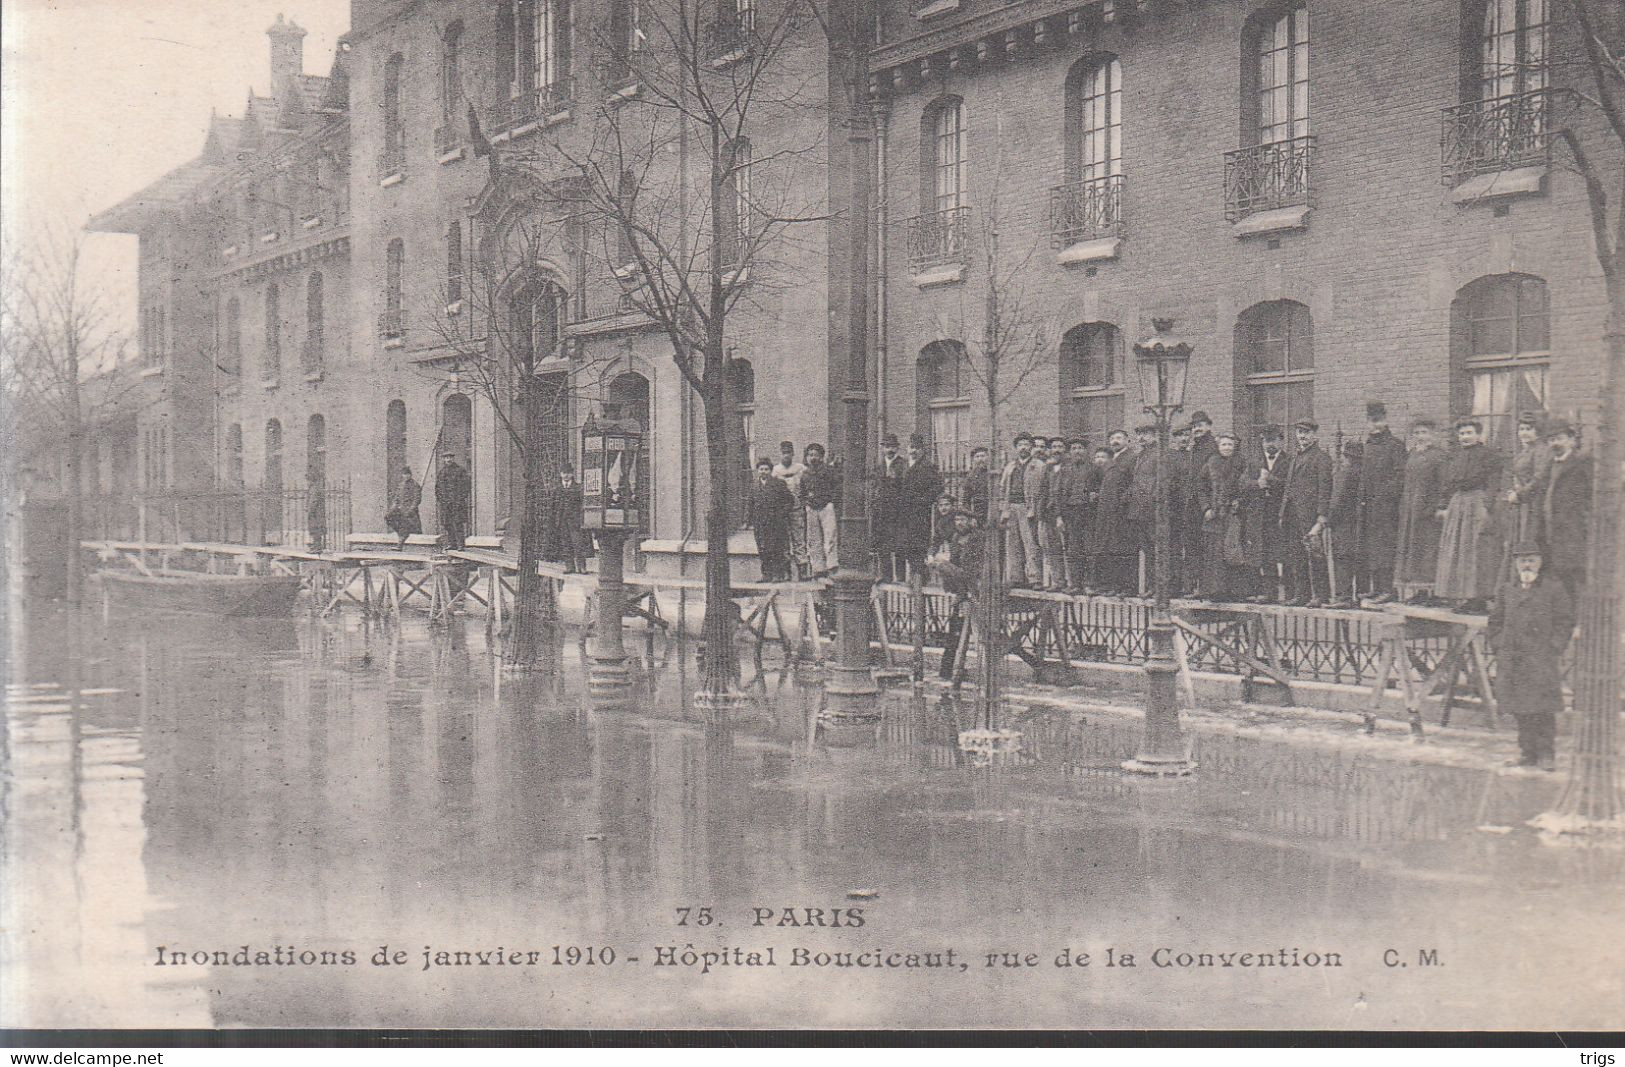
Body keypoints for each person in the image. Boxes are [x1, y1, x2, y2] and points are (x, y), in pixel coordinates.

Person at [1487, 542, 1574, 771]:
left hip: (1540, 659)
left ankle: (1546, 754)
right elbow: (1495, 621)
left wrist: (1554, 647)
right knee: (1520, 708)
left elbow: (1565, 621)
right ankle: (1527, 752)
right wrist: (1499, 645)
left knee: (1542, 708)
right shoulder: (1507, 590)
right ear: (1515, 564)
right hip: (1513, 659)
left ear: (1540, 562)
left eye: (1531, 560)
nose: (1527, 565)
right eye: (1522, 560)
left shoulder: (1553, 589)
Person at [1433, 417, 1504, 612]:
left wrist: (1487, 506)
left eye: (1469, 433)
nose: (1465, 437)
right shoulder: (1455, 457)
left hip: (1477, 503)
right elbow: (1447, 484)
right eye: (1462, 433)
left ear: (1478, 434)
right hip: (1458, 504)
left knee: (1476, 549)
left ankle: (1478, 598)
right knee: (1457, 550)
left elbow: (1494, 482)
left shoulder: (1489, 455)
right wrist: (1443, 505)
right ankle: (1462, 595)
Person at [1278, 419, 1333, 606]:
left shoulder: (1321, 457)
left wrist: (1321, 516)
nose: (1302, 436)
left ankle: (1320, 595)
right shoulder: (1295, 458)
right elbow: (1289, 486)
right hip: (1292, 513)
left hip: (1310, 515)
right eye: (1299, 432)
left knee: (1315, 554)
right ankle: (1302, 594)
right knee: (1296, 554)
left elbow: (1325, 489)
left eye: (1306, 432)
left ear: (1315, 435)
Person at [1536, 418, 1592, 602]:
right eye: (1551, 440)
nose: (1555, 444)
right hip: (1551, 529)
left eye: (1559, 438)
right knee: (1557, 574)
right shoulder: (1550, 464)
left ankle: (1581, 621)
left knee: (1577, 574)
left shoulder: (1583, 462)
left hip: (1574, 529)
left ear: (1571, 440)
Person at [1357, 401, 1407, 602]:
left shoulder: (1395, 445)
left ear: (1385, 421)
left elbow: (1400, 476)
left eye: (1378, 421)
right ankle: (1376, 588)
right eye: (1371, 421)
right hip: (1368, 507)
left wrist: (1385, 495)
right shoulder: (1367, 446)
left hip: (1387, 508)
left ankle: (1388, 589)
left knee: (1385, 548)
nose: (1375, 425)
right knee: (1371, 548)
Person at [1394, 418, 1449, 601]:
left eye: (1424, 432)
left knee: (1428, 549)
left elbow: (1444, 485)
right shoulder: (1411, 454)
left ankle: (1433, 592)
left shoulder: (1439, 456)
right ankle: (1418, 591)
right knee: (1413, 548)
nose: (1420, 437)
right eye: (1417, 433)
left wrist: (1441, 506)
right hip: (1411, 510)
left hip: (1428, 510)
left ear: (1432, 434)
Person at [931, 508, 985, 681]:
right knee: (955, 631)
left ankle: (950, 672)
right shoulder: (955, 538)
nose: (959, 523)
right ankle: (947, 671)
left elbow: (975, 567)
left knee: (941, 565)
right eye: (956, 520)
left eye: (962, 520)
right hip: (961, 588)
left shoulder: (978, 538)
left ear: (971, 521)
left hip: (973, 582)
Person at [1200, 432, 1251, 601]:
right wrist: (1206, 507)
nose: (1227, 448)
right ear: (1218, 446)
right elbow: (1201, 488)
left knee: (1233, 550)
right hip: (1214, 516)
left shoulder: (1241, 463)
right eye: (1224, 444)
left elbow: (1247, 487)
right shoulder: (1210, 463)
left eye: (1230, 444)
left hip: (1233, 515)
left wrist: (1239, 501)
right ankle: (1215, 591)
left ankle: (1236, 592)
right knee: (1214, 552)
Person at [1242, 426, 1289, 602]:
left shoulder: (1289, 461)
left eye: (1273, 440)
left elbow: (1290, 484)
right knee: (1264, 553)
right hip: (1260, 515)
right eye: (1266, 441)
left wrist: (1270, 480)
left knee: (1284, 553)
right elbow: (1243, 483)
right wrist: (1257, 484)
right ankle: (1269, 592)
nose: (1269, 444)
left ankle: (1290, 593)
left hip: (1280, 515)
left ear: (1280, 441)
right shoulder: (1254, 462)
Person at [1090, 430, 1137, 595]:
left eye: (1119, 438)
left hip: (1121, 512)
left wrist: (1124, 500)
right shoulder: (1110, 461)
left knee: (1123, 550)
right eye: (1112, 439)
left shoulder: (1132, 458)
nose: (1115, 441)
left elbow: (1135, 482)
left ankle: (1127, 587)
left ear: (1127, 440)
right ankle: (1111, 585)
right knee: (1108, 549)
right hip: (1106, 512)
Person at [1052, 438, 1095, 594]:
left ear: (1085, 451)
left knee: (1089, 548)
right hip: (1071, 513)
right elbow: (1057, 493)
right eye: (1074, 448)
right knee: (1073, 549)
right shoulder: (1064, 470)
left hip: (1089, 513)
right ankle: (1075, 584)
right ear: (1070, 452)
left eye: (1080, 448)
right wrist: (1059, 517)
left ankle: (1089, 583)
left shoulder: (1093, 468)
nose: (1077, 451)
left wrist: (1094, 496)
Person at [898, 433, 943, 583]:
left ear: (922, 450)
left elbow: (938, 488)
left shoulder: (928, 466)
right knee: (907, 544)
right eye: (911, 448)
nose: (913, 451)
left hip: (919, 513)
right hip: (905, 512)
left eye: (916, 448)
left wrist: (923, 500)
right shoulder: (904, 465)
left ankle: (920, 578)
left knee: (918, 544)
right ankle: (915, 576)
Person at [997, 433, 1041, 587]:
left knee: (1030, 544)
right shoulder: (1010, 466)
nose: (1023, 447)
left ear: (1031, 447)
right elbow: (1002, 488)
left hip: (1028, 508)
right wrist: (1004, 509)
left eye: (1026, 444)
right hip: (1012, 508)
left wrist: (1035, 508)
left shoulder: (1039, 466)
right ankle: (1016, 578)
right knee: (1012, 544)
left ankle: (1035, 578)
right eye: (1020, 445)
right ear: (1016, 448)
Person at [1325, 439, 1364, 607]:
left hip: (1342, 525)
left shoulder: (1345, 472)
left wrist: (1329, 520)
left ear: (1346, 456)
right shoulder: (1363, 472)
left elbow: (1337, 500)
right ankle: (1360, 596)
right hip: (1359, 524)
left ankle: (1343, 597)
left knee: (1341, 559)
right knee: (1358, 561)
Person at [1125, 423, 1161, 595]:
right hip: (1139, 510)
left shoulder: (1159, 454)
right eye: (1139, 433)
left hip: (1152, 510)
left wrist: (1153, 501)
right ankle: (1151, 586)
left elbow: (1160, 482)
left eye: (1145, 433)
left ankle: (1159, 587)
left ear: (1154, 435)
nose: (1141, 437)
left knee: (1156, 549)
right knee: (1147, 549)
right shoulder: (1140, 456)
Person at [747, 457, 795, 582]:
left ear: (771, 470)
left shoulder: (778, 484)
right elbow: (750, 504)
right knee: (762, 549)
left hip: (776, 523)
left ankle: (778, 575)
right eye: (761, 469)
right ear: (757, 471)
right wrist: (749, 520)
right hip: (760, 524)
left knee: (776, 548)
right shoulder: (754, 486)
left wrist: (781, 514)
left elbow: (790, 500)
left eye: (766, 469)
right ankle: (766, 575)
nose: (763, 471)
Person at [799, 443, 840, 578]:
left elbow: (836, 488)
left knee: (830, 537)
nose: (813, 458)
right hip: (812, 508)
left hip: (826, 507)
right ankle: (818, 568)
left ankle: (831, 565)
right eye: (810, 455)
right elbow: (802, 492)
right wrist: (807, 503)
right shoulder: (805, 474)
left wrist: (831, 502)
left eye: (816, 455)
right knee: (813, 538)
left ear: (821, 457)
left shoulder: (829, 471)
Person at [772, 441, 810, 579]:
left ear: (793, 454)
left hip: (797, 509)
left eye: (789, 453)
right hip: (782, 511)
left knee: (799, 539)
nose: (786, 456)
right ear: (780, 454)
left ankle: (803, 571)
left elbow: (806, 485)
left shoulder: (800, 468)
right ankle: (786, 571)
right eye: (784, 453)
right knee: (783, 540)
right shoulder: (775, 471)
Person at [872, 433, 907, 581]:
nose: (890, 450)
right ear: (882, 449)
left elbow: (906, 486)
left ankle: (900, 576)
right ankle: (886, 575)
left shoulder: (903, 465)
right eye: (887, 447)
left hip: (898, 509)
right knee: (883, 543)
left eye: (892, 446)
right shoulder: (879, 467)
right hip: (882, 510)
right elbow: (874, 487)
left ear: (897, 448)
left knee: (899, 543)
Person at [1034, 437, 1068, 591]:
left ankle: (1071, 581)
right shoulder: (1047, 469)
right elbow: (1042, 491)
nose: (1057, 450)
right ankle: (1057, 581)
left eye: (1060, 447)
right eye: (1054, 447)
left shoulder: (1069, 467)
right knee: (1051, 548)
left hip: (1066, 514)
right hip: (1049, 514)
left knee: (1067, 548)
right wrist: (1041, 513)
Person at [544, 465, 587, 572]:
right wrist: (554, 521)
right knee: (565, 544)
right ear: (561, 474)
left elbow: (582, 505)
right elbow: (552, 507)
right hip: (562, 522)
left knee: (578, 544)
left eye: (568, 473)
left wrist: (581, 519)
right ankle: (569, 567)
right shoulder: (556, 490)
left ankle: (581, 567)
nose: (566, 475)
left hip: (575, 522)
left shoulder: (578, 488)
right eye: (564, 473)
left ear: (572, 474)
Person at [436, 454, 472, 551]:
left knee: (457, 523)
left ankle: (460, 544)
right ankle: (452, 544)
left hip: (457, 503)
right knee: (447, 524)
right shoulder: (442, 472)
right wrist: (441, 500)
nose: (448, 459)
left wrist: (460, 498)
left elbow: (467, 485)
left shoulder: (460, 470)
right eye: (446, 458)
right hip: (445, 503)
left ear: (453, 458)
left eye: (450, 457)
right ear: (444, 459)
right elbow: (437, 488)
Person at [386, 466, 423, 547]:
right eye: (404, 474)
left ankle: (400, 544)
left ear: (410, 475)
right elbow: (396, 498)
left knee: (406, 524)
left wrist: (411, 509)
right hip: (401, 509)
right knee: (388, 517)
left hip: (411, 512)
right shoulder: (401, 485)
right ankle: (401, 533)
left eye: (407, 474)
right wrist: (393, 507)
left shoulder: (415, 485)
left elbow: (417, 499)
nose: (406, 476)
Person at [958, 446, 993, 527]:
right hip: (978, 512)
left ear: (988, 458)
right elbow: (966, 500)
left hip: (992, 510)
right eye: (977, 457)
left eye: (983, 456)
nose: (980, 459)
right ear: (973, 459)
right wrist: (972, 517)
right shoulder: (971, 476)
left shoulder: (992, 474)